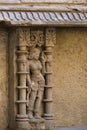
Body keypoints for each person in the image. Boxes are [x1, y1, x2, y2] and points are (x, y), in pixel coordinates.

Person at [26, 47, 45, 119]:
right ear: (32, 53)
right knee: (32, 96)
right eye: (37, 53)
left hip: (41, 80)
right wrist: (29, 82)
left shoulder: (39, 62)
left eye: (39, 54)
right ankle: (29, 112)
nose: (38, 55)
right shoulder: (28, 62)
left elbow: (43, 72)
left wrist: (43, 62)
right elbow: (27, 74)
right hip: (33, 80)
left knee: (39, 97)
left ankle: (36, 112)